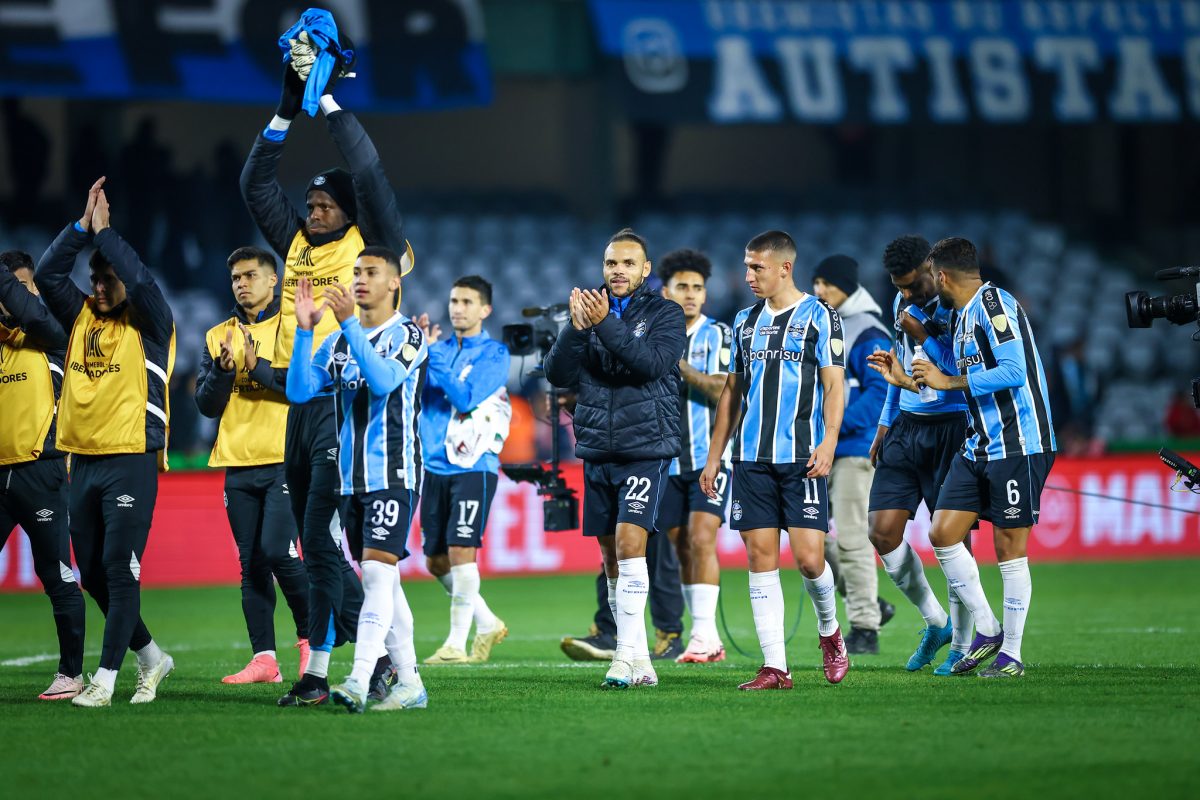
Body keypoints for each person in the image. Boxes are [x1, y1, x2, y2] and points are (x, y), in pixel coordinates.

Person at [241, 51, 414, 706]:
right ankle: (329, 669)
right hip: (302, 393)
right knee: (314, 544)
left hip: (344, 402)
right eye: (308, 203)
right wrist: (287, 110)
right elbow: (256, 188)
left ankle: (354, 665)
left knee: (317, 541)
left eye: (323, 203)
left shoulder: (371, 244)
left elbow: (368, 176)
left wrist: (330, 104)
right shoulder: (297, 245)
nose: (312, 211)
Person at [882, 237, 1056, 678]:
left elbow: (1015, 371)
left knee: (1008, 549)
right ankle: (987, 627)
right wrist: (911, 378)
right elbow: (942, 369)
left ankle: (1011, 655)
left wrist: (948, 381)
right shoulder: (957, 318)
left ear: (940, 276)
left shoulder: (995, 303)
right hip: (979, 443)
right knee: (943, 534)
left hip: (1020, 442)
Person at [36, 178, 176, 707]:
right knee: (91, 572)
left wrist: (108, 234)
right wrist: (80, 229)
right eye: (93, 277)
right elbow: (49, 273)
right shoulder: (80, 319)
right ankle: (151, 657)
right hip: (84, 461)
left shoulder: (151, 322)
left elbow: (139, 279)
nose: (98, 286)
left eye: (107, 278)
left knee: (119, 567)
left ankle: (107, 677)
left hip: (131, 459)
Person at [700, 230, 849, 691]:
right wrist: (714, 456)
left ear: (785, 267)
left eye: (757, 268)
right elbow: (732, 393)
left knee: (808, 560)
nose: (748, 276)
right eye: (747, 267)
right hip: (750, 459)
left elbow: (833, 386)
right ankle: (775, 667)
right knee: (761, 558)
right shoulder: (744, 322)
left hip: (802, 457)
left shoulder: (820, 317)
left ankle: (830, 633)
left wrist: (828, 442)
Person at [287, 247, 429, 713]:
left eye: (371, 272)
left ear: (394, 283)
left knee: (373, 575)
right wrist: (306, 331)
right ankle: (411, 684)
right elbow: (299, 391)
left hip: (394, 472)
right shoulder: (338, 341)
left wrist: (348, 324)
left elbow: (385, 380)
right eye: (356, 272)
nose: (360, 279)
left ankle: (359, 676)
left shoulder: (407, 334)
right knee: (385, 584)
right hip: (350, 481)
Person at [544, 228, 686, 689]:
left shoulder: (665, 313)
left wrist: (603, 323)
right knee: (609, 555)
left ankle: (623, 657)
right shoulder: (588, 314)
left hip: (646, 448)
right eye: (610, 264)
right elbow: (557, 374)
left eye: (627, 263)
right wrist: (574, 328)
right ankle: (640, 658)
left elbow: (651, 365)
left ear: (645, 270)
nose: (617, 271)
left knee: (630, 545)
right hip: (597, 448)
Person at [194, 246, 310, 684]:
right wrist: (224, 371)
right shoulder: (216, 335)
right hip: (237, 462)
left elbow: (301, 388)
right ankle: (264, 659)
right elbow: (206, 406)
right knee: (251, 564)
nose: (241, 284)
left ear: (272, 280)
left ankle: (309, 643)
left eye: (249, 275)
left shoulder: (292, 327)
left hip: (284, 458)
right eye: (235, 278)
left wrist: (253, 365)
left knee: (279, 551)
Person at [866, 236, 976, 675]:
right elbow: (903, 364)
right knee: (882, 531)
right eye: (900, 287)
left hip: (953, 427)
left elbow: (960, 373)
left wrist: (926, 335)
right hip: (906, 428)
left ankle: (963, 646)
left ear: (934, 270)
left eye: (913, 286)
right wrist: (884, 424)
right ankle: (936, 622)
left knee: (954, 541)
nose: (907, 295)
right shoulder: (901, 302)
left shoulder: (958, 306)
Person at [0, 250, 86, 701]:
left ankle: (71, 674)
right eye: (15, 287)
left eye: (27, 287)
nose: (24, 295)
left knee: (55, 573)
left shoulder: (54, 337)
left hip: (42, 470)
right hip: (0, 475)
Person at [415, 276, 511, 664]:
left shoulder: (494, 354)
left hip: (474, 465)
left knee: (460, 550)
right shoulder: (435, 351)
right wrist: (420, 354)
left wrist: (430, 355)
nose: (458, 308)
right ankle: (487, 622)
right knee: (436, 560)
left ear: (484, 309)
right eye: (454, 300)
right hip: (434, 466)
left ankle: (455, 643)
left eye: (468, 302)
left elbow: (466, 398)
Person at [811, 254, 891, 655]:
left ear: (847, 286)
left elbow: (881, 394)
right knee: (810, 538)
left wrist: (831, 428)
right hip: (819, 449)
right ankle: (871, 604)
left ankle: (864, 628)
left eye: (827, 284)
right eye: (817, 284)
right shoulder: (822, 325)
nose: (819, 290)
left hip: (853, 449)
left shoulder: (867, 332)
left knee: (852, 539)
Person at [657, 248, 733, 663]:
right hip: (666, 460)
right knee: (682, 545)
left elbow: (725, 389)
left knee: (703, 537)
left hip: (710, 456)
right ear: (665, 291)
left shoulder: (717, 334)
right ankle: (708, 637)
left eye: (697, 288)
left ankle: (702, 636)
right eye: (682, 287)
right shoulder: (652, 335)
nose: (690, 294)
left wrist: (681, 367)